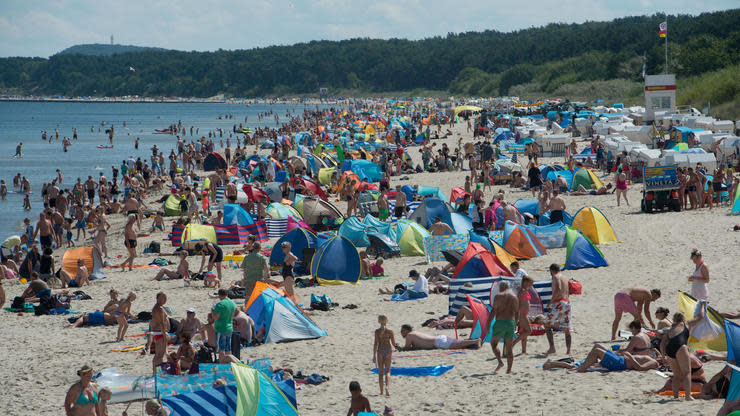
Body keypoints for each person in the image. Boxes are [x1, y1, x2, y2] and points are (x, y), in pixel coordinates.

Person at [660, 312, 703, 401]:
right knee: (687, 372)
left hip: (669, 348)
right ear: (683, 319)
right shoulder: (686, 324)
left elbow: (662, 343)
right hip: (680, 346)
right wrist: (702, 304)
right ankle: (688, 396)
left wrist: (663, 356)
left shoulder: (670, 329)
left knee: (676, 375)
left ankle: (675, 396)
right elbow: (700, 317)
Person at [487, 281, 518, 373]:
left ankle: (500, 362)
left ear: (501, 287)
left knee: (493, 343)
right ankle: (509, 370)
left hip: (500, 322)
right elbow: (517, 313)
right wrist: (515, 324)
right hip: (510, 322)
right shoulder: (514, 297)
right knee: (509, 348)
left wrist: (488, 324)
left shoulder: (498, 296)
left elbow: (494, 311)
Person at [544, 264, 572, 355]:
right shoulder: (565, 277)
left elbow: (558, 289)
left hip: (558, 303)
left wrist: (551, 301)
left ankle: (552, 348)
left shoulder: (556, 277)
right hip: (567, 302)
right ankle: (568, 350)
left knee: (547, 324)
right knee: (566, 328)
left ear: (552, 270)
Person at [397, 324, 481, 350]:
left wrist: (399, 348)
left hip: (438, 342)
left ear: (407, 331)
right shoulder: (414, 333)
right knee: (458, 343)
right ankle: (473, 342)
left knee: (458, 345)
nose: (401, 333)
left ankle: (476, 341)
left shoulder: (409, 335)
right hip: (439, 338)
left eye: (402, 331)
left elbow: (407, 348)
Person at [373, 315, 396, 397]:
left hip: (380, 351)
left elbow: (376, 344)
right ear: (387, 321)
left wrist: (374, 355)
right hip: (388, 351)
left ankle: (381, 391)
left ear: (379, 321)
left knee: (380, 372)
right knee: (388, 371)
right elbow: (393, 343)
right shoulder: (390, 331)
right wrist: (398, 346)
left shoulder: (377, 331)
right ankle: (387, 387)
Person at [212, 288, 237, 363]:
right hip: (229, 327)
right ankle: (230, 363)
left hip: (221, 328)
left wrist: (212, 311)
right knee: (228, 348)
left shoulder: (220, 304)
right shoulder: (232, 303)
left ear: (219, 295)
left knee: (221, 349)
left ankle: (222, 364)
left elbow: (216, 317)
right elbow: (233, 315)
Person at [512, 276, 534, 354]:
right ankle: (513, 343)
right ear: (525, 282)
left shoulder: (524, 290)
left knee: (524, 332)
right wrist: (516, 316)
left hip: (524, 313)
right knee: (528, 331)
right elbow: (517, 302)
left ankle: (523, 351)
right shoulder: (522, 291)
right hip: (522, 314)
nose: (531, 286)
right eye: (530, 284)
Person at [151, 292, 170, 373]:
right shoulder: (159, 309)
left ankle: (155, 372)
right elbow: (161, 323)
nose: (165, 299)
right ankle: (156, 373)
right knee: (159, 355)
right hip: (160, 333)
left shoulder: (158, 307)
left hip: (159, 332)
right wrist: (164, 335)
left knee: (159, 355)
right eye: (163, 298)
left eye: (165, 298)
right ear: (158, 298)